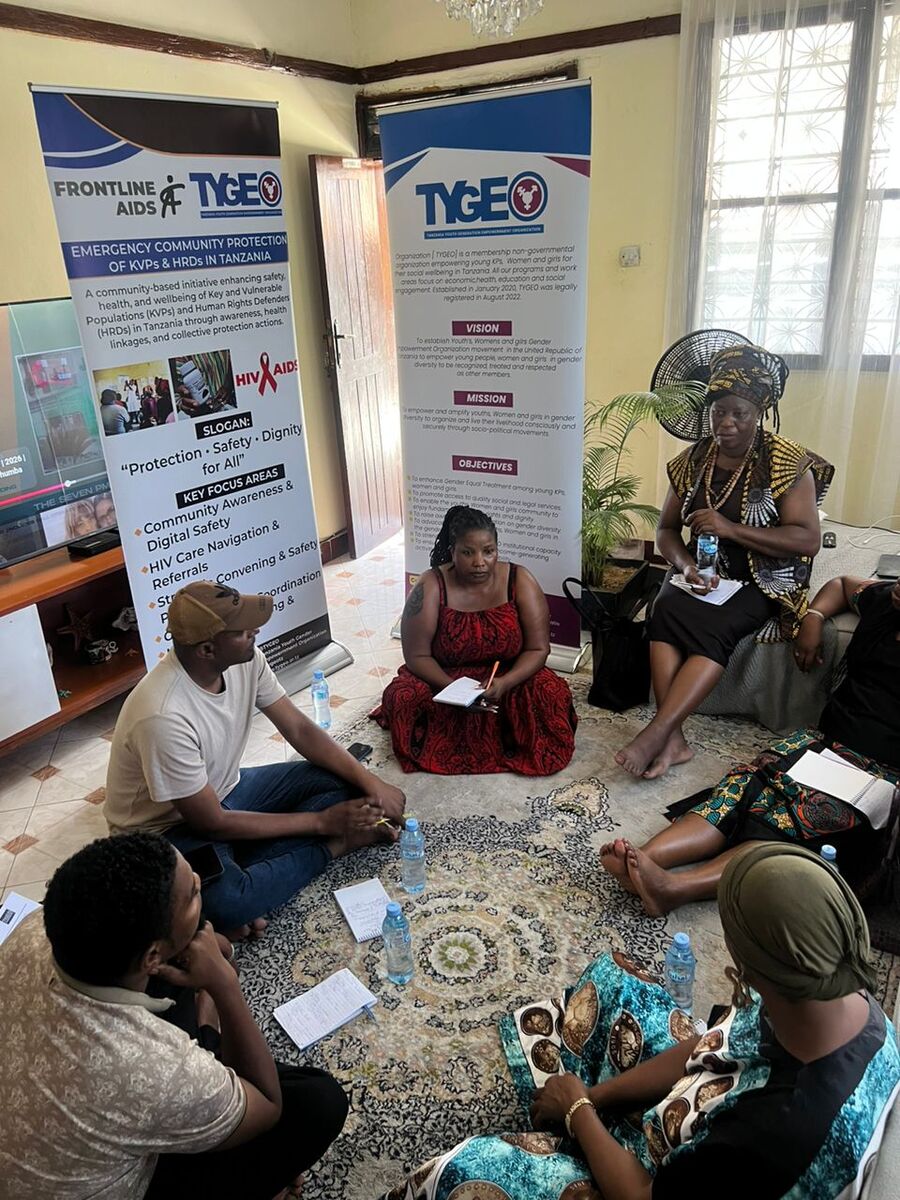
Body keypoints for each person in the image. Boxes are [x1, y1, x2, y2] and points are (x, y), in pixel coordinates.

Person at [382, 843, 900, 1200]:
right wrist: (596, 1097)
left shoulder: (772, 1134)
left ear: (751, 969)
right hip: (705, 1110)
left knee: (465, 1172)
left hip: (661, 1180)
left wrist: (578, 1112)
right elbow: (709, 1045)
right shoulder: (832, 983)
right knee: (616, 981)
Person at [0, 832, 348, 1199]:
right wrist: (224, 985)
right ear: (152, 957)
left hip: (42, 1143)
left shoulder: (33, 930)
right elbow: (267, 1104)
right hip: (115, 1179)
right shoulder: (156, 1069)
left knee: (181, 973)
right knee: (318, 1103)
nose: (199, 880)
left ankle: (207, 1034)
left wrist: (211, 951)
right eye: (194, 894)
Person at [104, 581, 405, 937]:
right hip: (167, 830)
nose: (255, 632)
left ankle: (246, 867)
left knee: (344, 783)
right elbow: (211, 822)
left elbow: (299, 729)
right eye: (243, 631)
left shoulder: (245, 659)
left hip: (228, 790)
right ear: (207, 649)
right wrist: (324, 824)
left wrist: (372, 783)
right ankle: (335, 845)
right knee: (229, 901)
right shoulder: (162, 715)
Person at [602, 573, 900, 915]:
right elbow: (843, 585)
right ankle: (645, 858)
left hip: (879, 772)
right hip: (822, 745)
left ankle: (675, 889)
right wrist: (814, 617)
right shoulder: (884, 602)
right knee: (742, 789)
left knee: (793, 824)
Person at [616, 343, 833, 779]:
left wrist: (731, 529)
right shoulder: (692, 461)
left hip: (763, 577)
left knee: (713, 624)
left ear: (760, 413)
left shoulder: (788, 462)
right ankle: (674, 740)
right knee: (665, 609)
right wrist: (685, 567)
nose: (726, 424)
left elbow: (807, 539)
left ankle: (658, 731)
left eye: (739, 414)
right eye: (718, 412)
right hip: (703, 572)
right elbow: (666, 531)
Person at [373, 505, 577, 775]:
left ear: (497, 550)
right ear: (452, 552)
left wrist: (505, 683)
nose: (479, 562)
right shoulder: (431, 585)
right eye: (468, 553)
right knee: (404, 698)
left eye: (488, 551)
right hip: (444, 677)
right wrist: (455, 691)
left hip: (506, 676)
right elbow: (416, 656)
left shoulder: (519, 579)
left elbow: (538, 648)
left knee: (550, 693)